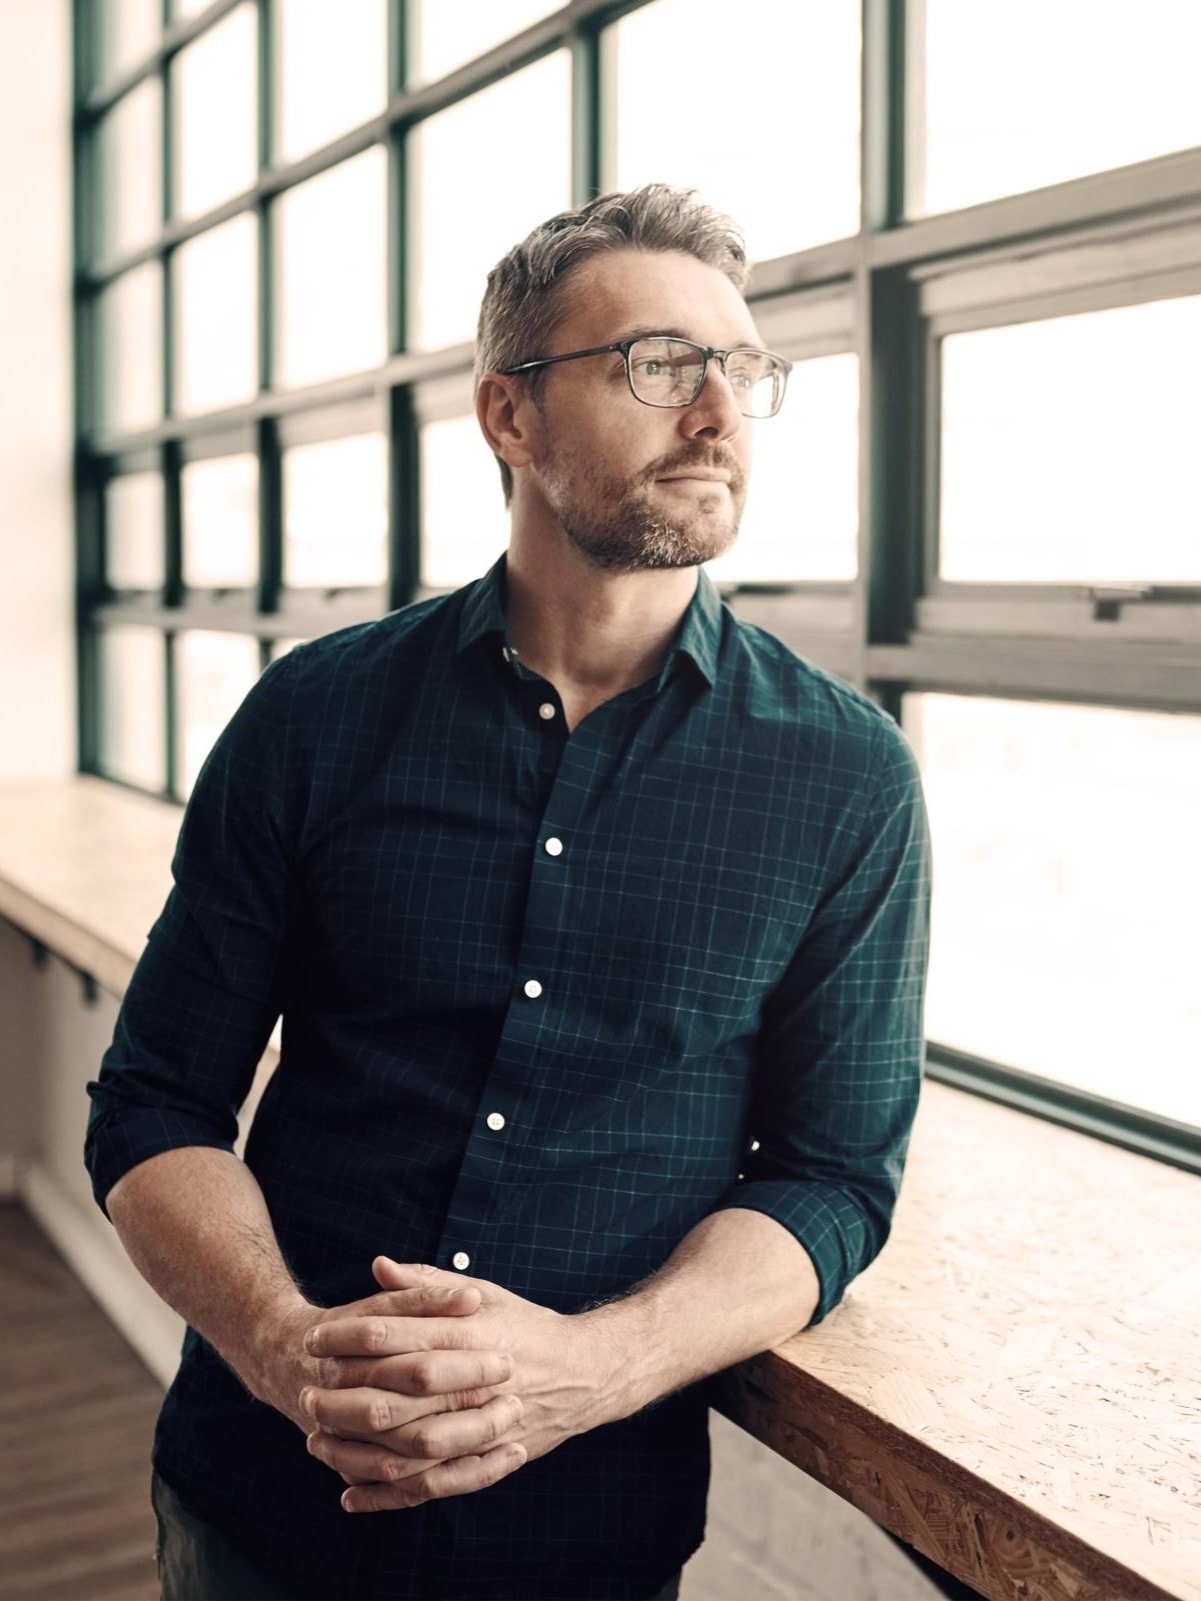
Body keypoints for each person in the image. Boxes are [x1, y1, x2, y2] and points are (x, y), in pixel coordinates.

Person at [85, 182, 933, 1601]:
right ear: (509, 416)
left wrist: (583, 1372)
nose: (716, 412)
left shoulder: (845, 779)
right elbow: (155, 1096)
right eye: (660, 365)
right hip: (262, 1498)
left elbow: (834, 1177)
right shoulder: (312, 718)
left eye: (741, 370)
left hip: (580, 1532)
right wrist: (286, 1344)